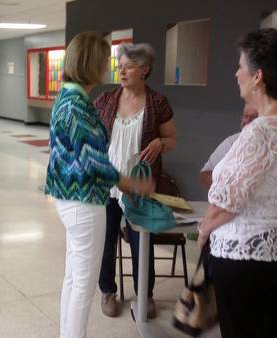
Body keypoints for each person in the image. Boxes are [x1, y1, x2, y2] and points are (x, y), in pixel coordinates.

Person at [197, 28, 277, 338]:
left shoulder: (260, 134)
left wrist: (203, 232)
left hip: (247, 259)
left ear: (258, 76)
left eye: (241, 67)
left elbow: (225, 205)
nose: (236, 74)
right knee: (276, 327)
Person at [45, 32, 153, 338]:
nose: (112, 65)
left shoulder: (68, 96)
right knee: (83, 284)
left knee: (73, 277)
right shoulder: (77, 106)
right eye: (106, 60)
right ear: (91, 64)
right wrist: (131, 183)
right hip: (83, 202)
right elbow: (96, 164)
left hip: (69, 198)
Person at [93, 43, 176, 318]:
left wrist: (160, 143)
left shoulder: (158, 103)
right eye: (120, 65)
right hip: (108, 184)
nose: (121, 70)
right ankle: (107, 290)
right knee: (106, 240)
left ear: (145, 69)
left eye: (128, 65)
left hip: (139, 186)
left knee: (142, 242)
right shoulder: (106, 100)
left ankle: (146, 295)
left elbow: (172, 140)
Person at [199, 104, 258, 189]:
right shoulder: (231, 142)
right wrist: (229, 181)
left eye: (255, 117)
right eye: (246, 116)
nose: (248, 121)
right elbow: (203, 176)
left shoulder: (276, 144)